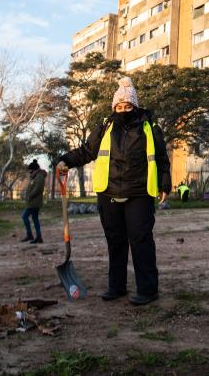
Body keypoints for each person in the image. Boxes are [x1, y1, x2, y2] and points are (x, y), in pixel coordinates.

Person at [57, 77, 170, 306]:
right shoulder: (106, 127)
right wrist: (64, 161)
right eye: (119, 106)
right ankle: (116, 287)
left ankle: (148, 289)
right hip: (108, 193)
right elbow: (87, 151)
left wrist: (164, 185)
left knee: (141, 240)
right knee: (115, 241)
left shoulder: (150, 127)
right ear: (113, 107)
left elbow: (161, 159)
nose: (123, 110)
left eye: (128, 106)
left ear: (135, 106)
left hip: (139, 193)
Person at [21, 159, 46, 244]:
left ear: (34, 169)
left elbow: (38, 188)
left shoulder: (39, 176)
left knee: (24, 216)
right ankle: (37, 237)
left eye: (30, 170)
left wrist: (30, 195)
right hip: (32, 202)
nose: (29, 172)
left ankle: (31, 235)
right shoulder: (35, 176)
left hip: (34, 202)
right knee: (34, 219)